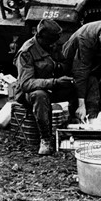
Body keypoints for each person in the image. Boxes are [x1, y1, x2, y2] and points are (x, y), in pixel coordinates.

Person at [14, 19, 76, 155]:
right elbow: (26, 84)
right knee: (40, 95)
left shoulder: (50, 45)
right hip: (28, 93)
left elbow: (63, 64)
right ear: (40, 37)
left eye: (55, 41)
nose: (54, 44)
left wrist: (61, 69)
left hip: (52, 86)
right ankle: (45, 139)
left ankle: (73, 127)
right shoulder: (26, 52)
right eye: (51, 41)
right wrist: (54, 82)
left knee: (76, 87)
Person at [62, 20, 101, 121]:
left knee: (93, 82)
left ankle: (93, 114)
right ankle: (77, 112)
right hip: (75, 50)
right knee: (78, 80)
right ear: (100, 42)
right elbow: (81, 71)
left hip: (98, 55)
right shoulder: (86, 39)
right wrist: (81, 105)